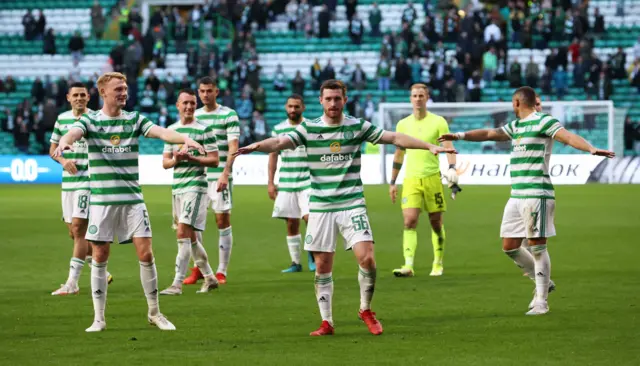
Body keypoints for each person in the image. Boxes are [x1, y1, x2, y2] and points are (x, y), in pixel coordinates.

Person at [234, 80, 456, 336]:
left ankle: (365, 309)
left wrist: (427, 145)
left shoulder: (356, 126)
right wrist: (256, 146)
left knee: (368, 258)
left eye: (337, 99)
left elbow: (394, 137)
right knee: (322, 266)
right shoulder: (309, 129)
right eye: (328, 99)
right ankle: (327, 322)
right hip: (320, 207)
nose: (332, 104)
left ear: (345, 99)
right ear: (320, 101)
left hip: (352, 204)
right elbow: (279, 142)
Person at [438, 86, 615, 315]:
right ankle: (544, 281)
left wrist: (590, 148)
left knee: (537, 247)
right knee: (509, 246)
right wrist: (460, 136)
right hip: (517, 194)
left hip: (536, 192)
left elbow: (568, 137)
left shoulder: (544, 121)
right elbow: (490, 134)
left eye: (513, 103)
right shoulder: (516, 126)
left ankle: (541, 301)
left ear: (517, 103)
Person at [52, 72, 205, 332]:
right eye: (118, 89)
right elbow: (73, 133)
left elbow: (160, 132)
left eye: (125, 88)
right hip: (101, 203)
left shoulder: (134, 119)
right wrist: (64, 144)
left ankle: (155, 313)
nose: (124, 92)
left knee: (146, 254)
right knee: (100, 256)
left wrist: (185, 138)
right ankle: (99, 319)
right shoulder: (91, 121)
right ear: (103, 93)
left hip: (133, 201)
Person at [49, 82, 113, 295]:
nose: (79, 98)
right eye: (75, 95)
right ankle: (100, 268)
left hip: (88, 180)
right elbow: (53, 149)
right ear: (68, 97)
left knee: (78, 229)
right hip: (68, 182)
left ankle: (72, 283)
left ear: (88, 97)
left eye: (82, 95)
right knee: (74, 232)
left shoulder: (95, 118)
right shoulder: (62, 119)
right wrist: (63, 161)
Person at [389, 84, 458, 277]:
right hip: (411, 179)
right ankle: (408, 265)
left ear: (427, 97)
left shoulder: (438, 122)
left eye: (421, 95)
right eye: (414, 95)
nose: (418, 98)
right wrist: (392, 182)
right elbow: (399, 154)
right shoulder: (403, 125)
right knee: (409, 221)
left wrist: (452, 169)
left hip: (432, 179)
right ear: (410, 99)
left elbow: (449, 147)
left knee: (436, 222)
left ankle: (438, 262)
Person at [159, 89, 220, 295]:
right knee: (191, 237)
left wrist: (192, 159)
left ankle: (176, 283)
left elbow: (214, 160)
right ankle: (210, 277)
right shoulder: (171, 131)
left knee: (182, 231)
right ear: (177, 105)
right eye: (185, 103)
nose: (189, 107)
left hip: (196, 187)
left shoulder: (205, 130)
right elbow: (165, 163)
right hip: (178, 188)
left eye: (192, 103)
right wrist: (177, 159)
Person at [183, 76, 240, 285]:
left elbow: (233, 147)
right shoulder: (193, 115)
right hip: (197, 178)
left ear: (217, 92)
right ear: (198, 93)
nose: (206, 94)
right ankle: (200, 268)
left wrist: (226, 172)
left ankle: (222, 270)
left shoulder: (228, 115)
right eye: (202, 91)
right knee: (193, 226)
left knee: (221, 221)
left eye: (209, 91)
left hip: (219, 177)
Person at [268, 94, 315, 273]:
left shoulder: (309, 128)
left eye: (296, 106)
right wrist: (270, 183)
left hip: (307, 182)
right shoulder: (279, 129)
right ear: (286, 108)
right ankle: (296, 262)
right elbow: (273, 156)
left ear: (303, 108)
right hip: (287, 182)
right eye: (290, 106)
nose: (293, 110)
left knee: (310, 218)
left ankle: (311, 252)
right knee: (291, 222)